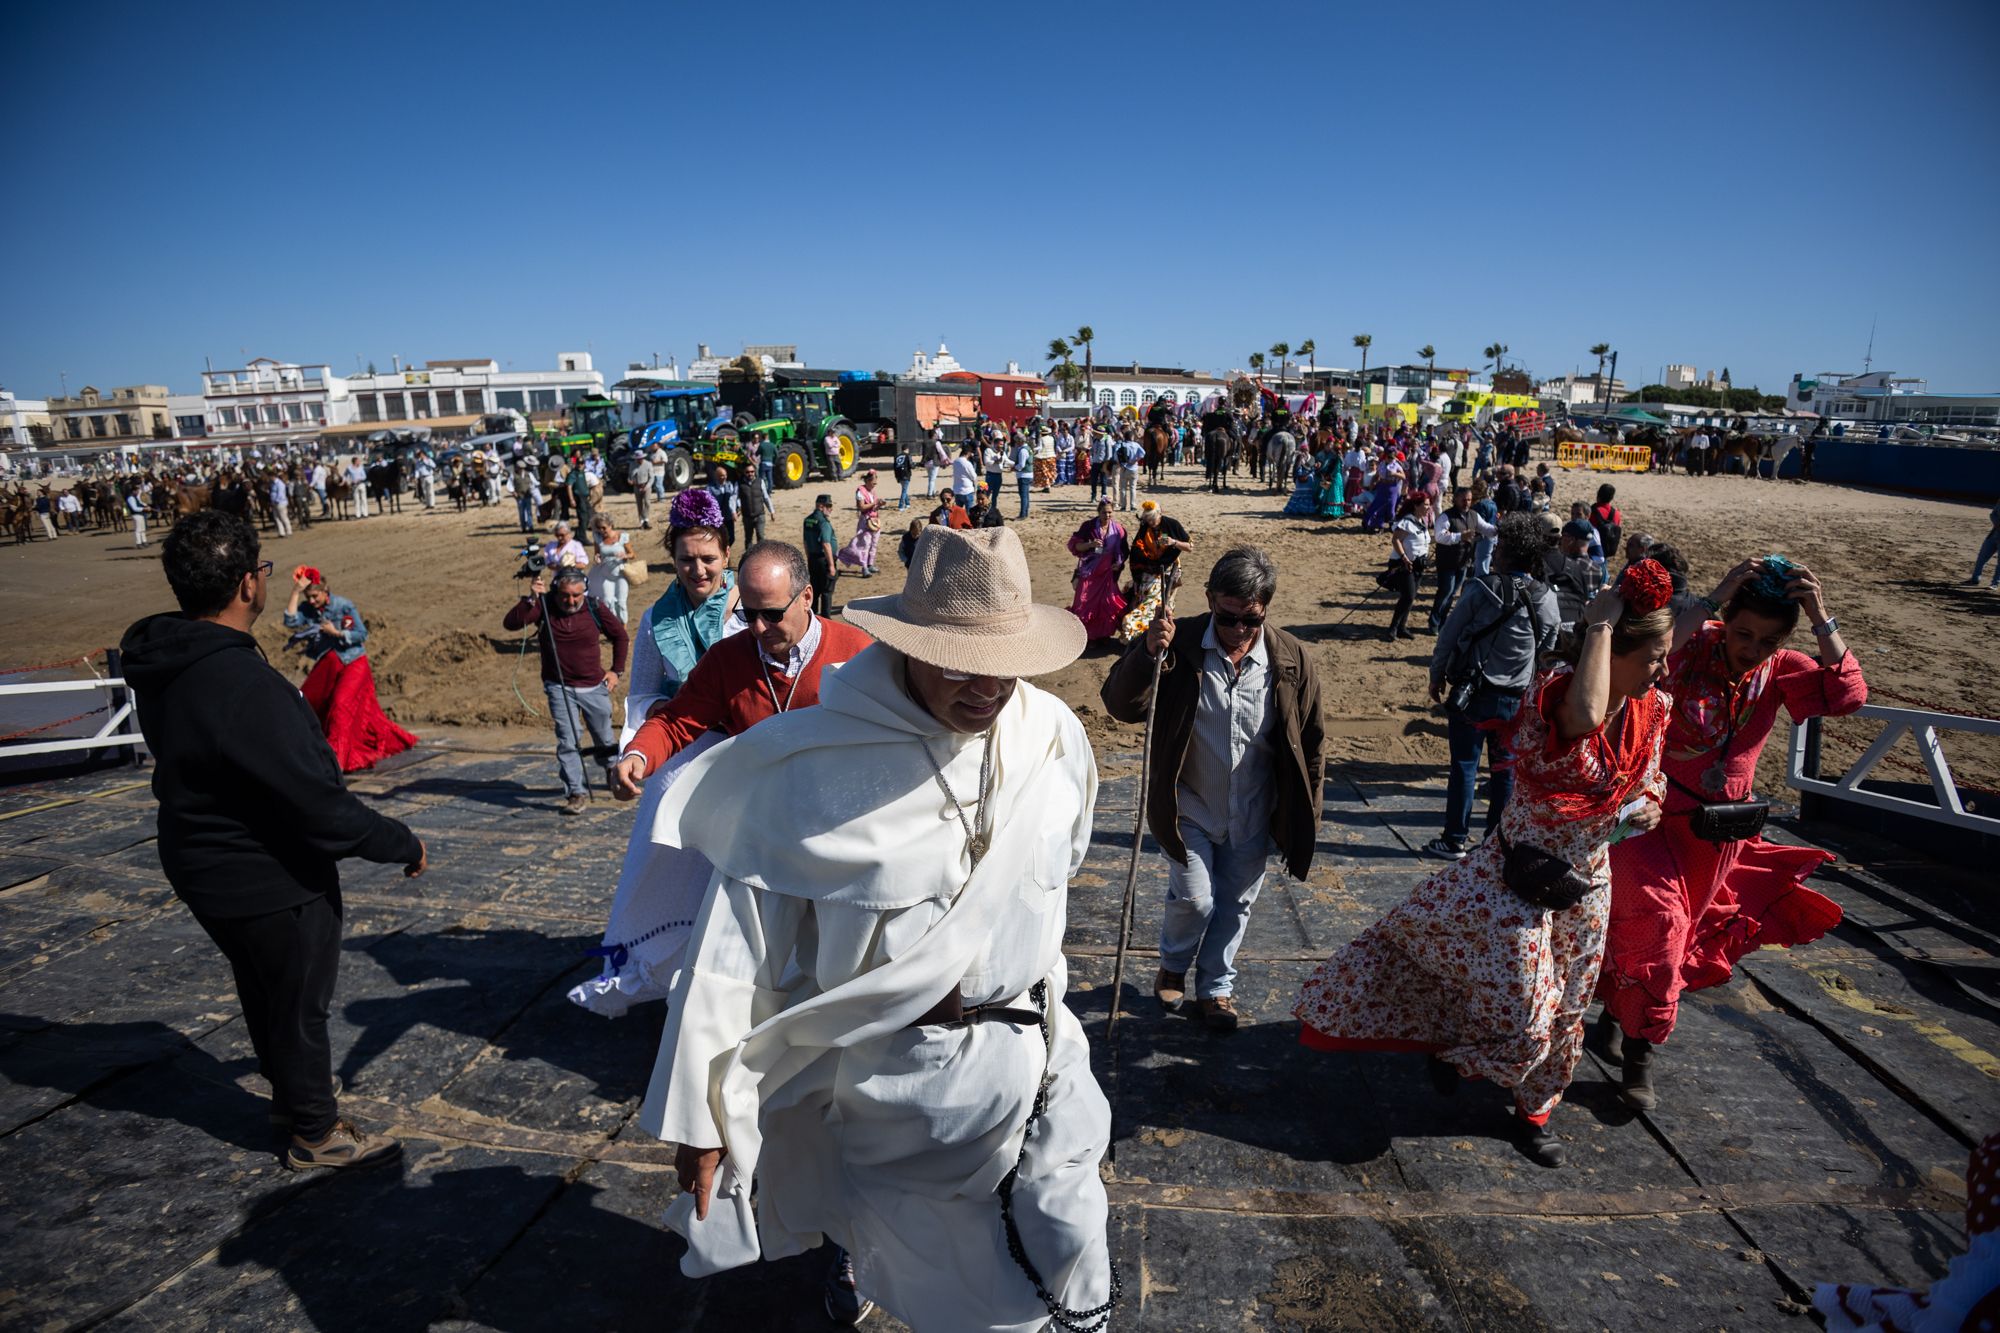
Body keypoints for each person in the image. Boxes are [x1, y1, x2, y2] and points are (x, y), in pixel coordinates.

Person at [646, 526, 1116, 1331]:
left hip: (1038, 1060)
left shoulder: (1052, 736)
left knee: (1070, 1240)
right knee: (949, 1287)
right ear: (909, 647)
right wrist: (700, 1121)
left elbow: (1064, 861)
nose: (988, 687)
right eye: (960, 663)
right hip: (902, 1089)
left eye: (1005, 665)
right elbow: (733, 951)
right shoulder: (814, 766)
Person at [1296, 561, 1675, 1168]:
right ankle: (1455, 1051)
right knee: (1525, 1009)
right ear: (1612, 650)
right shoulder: (1555, 691)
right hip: (1516, 875)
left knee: (1571, 1003)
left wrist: (1651, 804)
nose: (1663, 668)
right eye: (1655, 654)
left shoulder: (1655, 707)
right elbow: (1583, 721)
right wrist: (1598, 629)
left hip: (1589, 880)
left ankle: (1534, 1112)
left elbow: (1653, 776)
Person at [120, 510, 423, 1170]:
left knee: (264, 989)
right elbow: (323, 810)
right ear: (245, 586)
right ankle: (315, 1131)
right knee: (299, 1002)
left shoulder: (165, 659)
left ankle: (291, 1100)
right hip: (265, 875)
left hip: (199, 860)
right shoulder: (245, 685)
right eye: (261, 569)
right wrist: (400, 840)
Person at [1597, 555, 1865, 1109]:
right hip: (1650, 816)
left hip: (1718, 836)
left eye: (1768, 639)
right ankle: (1641, 1055)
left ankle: (1615, 1015)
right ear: (1728, 618)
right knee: (1663, 927)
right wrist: (1715, 597)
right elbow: (1652, 648)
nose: (1752, 648)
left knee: (1670, 935)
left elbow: (1846, 696)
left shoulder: (1783, 667)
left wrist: (1819, 615)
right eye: (1743, 632)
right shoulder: (1696, 643)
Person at [588, 541, 874, 1018]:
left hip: (840, 837)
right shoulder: (729, 658)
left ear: (807, 597)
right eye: (750, 614)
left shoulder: (859, 652)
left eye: (772, 614)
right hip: (760, 836)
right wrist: (639, 753)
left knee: (836, 964)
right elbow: (677, 720)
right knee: (757, 966)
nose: (758, 628)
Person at [1102, 546, 1325, 1032]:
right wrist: (1146, 653)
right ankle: (1174, 964)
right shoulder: (1176, 643)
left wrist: (1306, 815)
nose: (1239, 632)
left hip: (1254, 808)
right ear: (1208, 599)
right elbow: (1121, 704)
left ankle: (1216, 989)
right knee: (1196, 899)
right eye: (1227, 619)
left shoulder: (1290, 659)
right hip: (1190, 806)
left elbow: (1311, 743)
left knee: (1235, 904)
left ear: (1265, 609)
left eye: (1251, 621)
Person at [1423, 514, 1562, 860]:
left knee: (1464, 767)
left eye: (1499, 546)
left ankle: (1454, 838)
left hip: (1473, 694)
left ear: (1506, 552)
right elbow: (1549, 648)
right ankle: (1494, 842)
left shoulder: (1482, 588)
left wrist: (1437, 674)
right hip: (1515, 699)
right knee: (1505, 773)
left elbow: (1449, 634)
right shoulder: (1544, 597)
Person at [502, 565, 630, 815]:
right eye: (565, 596)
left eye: (576, 595)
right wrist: (531, 600)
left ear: (584, 591)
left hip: (594, 686)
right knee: (568, 740)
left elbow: (620, 636)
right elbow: (511, 623)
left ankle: (612, 772)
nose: (571, 601)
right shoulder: (544, 604)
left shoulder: (594, 607)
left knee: (604, 737)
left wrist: (616, 671)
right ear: (555, 591)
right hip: (559, 686)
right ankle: (575, 792)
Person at [281, 567, 418, 772]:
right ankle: (309, 747)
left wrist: (337, 633)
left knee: (341, 705)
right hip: (330, 662)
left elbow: (362, 634)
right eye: (308, 597)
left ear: (325, 590)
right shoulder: (308, 609)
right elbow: (290, 621)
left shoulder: (343, 605)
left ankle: (338, 759)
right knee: (307, 700)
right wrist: (295, 591)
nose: (312, 601)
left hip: (353, 662)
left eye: (315, 596)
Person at [1117, 499, 1193, 642]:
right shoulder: (1145, 527)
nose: (1150, 523)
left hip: (1167, 570)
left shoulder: (1171, 525)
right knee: (1137, 595)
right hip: (1148, 569)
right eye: (1148, 520)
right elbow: (1137, 550)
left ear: (1160, 513)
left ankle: (1138, 628)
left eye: (1152, 519)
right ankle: (1140, 634)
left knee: (1157, 603)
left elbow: (1189, 546)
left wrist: (1173, 542)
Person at [1427, 485, 1491, 632]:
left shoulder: (1474, 515)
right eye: (1463, 500)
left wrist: (1499, 530)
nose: (1466, 503)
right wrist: (1460, 536)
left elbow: (1486, 528)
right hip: (1447, 561)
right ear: (1455, 499)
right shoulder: (1446, 516)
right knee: (1445, 591)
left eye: (1469, 500)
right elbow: (1440, 536)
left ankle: (1442, 621)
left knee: (1453, 593)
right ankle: (1434, 622)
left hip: (1463, 562)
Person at [1067, 497, 1128, 640]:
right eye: (1104, 513)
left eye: (1110, 513)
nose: (1107, 516)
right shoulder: (1088, 526)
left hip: (1107, 573)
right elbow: (1075, 546)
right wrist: (1090, 545)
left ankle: (1103, 635)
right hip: (1090, 572)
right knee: (1084, 602)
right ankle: (1085, 636)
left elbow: (1124, 551)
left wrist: (1118, 563)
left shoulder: (1119, 529)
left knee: (1107, 604)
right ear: (1098, 512)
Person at [1384, 492, 1434, 640]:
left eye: (1429, 504)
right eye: (1425, 504)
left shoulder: (1421, 521)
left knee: (1410, 598)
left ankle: (1401, 628)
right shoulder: (1407, 522)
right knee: (1408, 596)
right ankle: (1392, 628)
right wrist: (1404, 558)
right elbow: (1396, 540)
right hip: (1403, 564)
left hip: (1417, 565)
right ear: (1416, 506)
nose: (1428, 507)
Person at [835, 469, 881, 577]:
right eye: (873, 483)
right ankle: (864, 568)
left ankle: (870, 564)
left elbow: (873, 507)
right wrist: (874, 503)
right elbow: (861, 507)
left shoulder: (872, 492)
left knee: (873, 544)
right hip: (865, 521)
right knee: (865, 544)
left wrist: (879, 505)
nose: (874, 485)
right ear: (868, 481)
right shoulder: (860, 491)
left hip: (874, 521)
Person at [590, 515, 633, 624]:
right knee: (608, 602)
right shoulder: (598, 538)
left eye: (604, 527)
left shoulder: (622, 536)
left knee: (621, 603)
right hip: (605, 575)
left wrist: (625, 556)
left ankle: (623, 631)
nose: (601, 530)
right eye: (599, 528)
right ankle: (615, 629)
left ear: (611, 525)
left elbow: (632, 554)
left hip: (620, 575)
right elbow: (597, 554)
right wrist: (596, 559)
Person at [804, 492, 839, 615]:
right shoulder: (823, 522)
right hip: (824, 560)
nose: (831, 509)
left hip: (813, 559)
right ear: (820, 506)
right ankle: (826, 618)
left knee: (815, 589)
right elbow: (826, 544)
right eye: (828, 506)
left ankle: (812, 615)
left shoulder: (808, 520)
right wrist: (831, 566)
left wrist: (809, 559)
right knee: (827, 591)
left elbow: (806, 542)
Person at [1967, 497, 2000, 589]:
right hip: (1994, 534)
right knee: (1982, 557)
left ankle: (1995, 583)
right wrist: (1997, 523)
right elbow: (1993, 514)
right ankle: (1975, 579)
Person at [735, 460, 767, 549]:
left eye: (752, 471)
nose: (750, 474)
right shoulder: (739, 484)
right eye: (747, 472)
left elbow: (766, 497)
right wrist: (737, 508)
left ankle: (761, 557)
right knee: (748, 539)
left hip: (760, 514)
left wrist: (772, 511)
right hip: (747, 516)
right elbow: (736, 498)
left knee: (761, 537)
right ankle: (748, 558)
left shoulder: (760, 482)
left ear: (755, 472)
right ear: (744, 473)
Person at [1114, 431, 1144, 509]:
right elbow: (1143, 453)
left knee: (1123, 488)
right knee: (1133, 488)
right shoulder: (1136, 445)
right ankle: (1132, 505)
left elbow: (1116, 456)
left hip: (1124, 468)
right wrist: (1136, 460)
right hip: (1133, 468)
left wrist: (1120, 464)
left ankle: (1123, 506)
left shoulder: (1121, 445)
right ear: (1132, 437)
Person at [569, 452, 595, 536]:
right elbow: (569, 487)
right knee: (583, 517)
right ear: (576, 464)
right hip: (579, 498)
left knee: (589, 514)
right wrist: (572, 499)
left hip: (585, 497)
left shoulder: (582, 473)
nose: (580, 465)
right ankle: (581, 536)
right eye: (578, 463)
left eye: (582, 463)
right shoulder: (573, 473)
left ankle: (578, 535)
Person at [628, 449, 654, 529]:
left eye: (640, 458)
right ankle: (641, 521)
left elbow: (652, 477)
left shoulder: (648, 464)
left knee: (647, 502)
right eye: (638, 458)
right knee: (639, 504)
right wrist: (629, 481)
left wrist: (646, 487)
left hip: (646, 486)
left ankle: (646, 519)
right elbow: (629, 476)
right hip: (636, 486)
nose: (639, 460)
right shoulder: (632, 465)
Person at [950, 443, 980, 510]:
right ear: (969, 453)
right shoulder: (967, 463)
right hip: (967, 490)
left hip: (957, 490)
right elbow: (974, 476)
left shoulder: (955, 461)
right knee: (969, 513)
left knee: (958, 512)